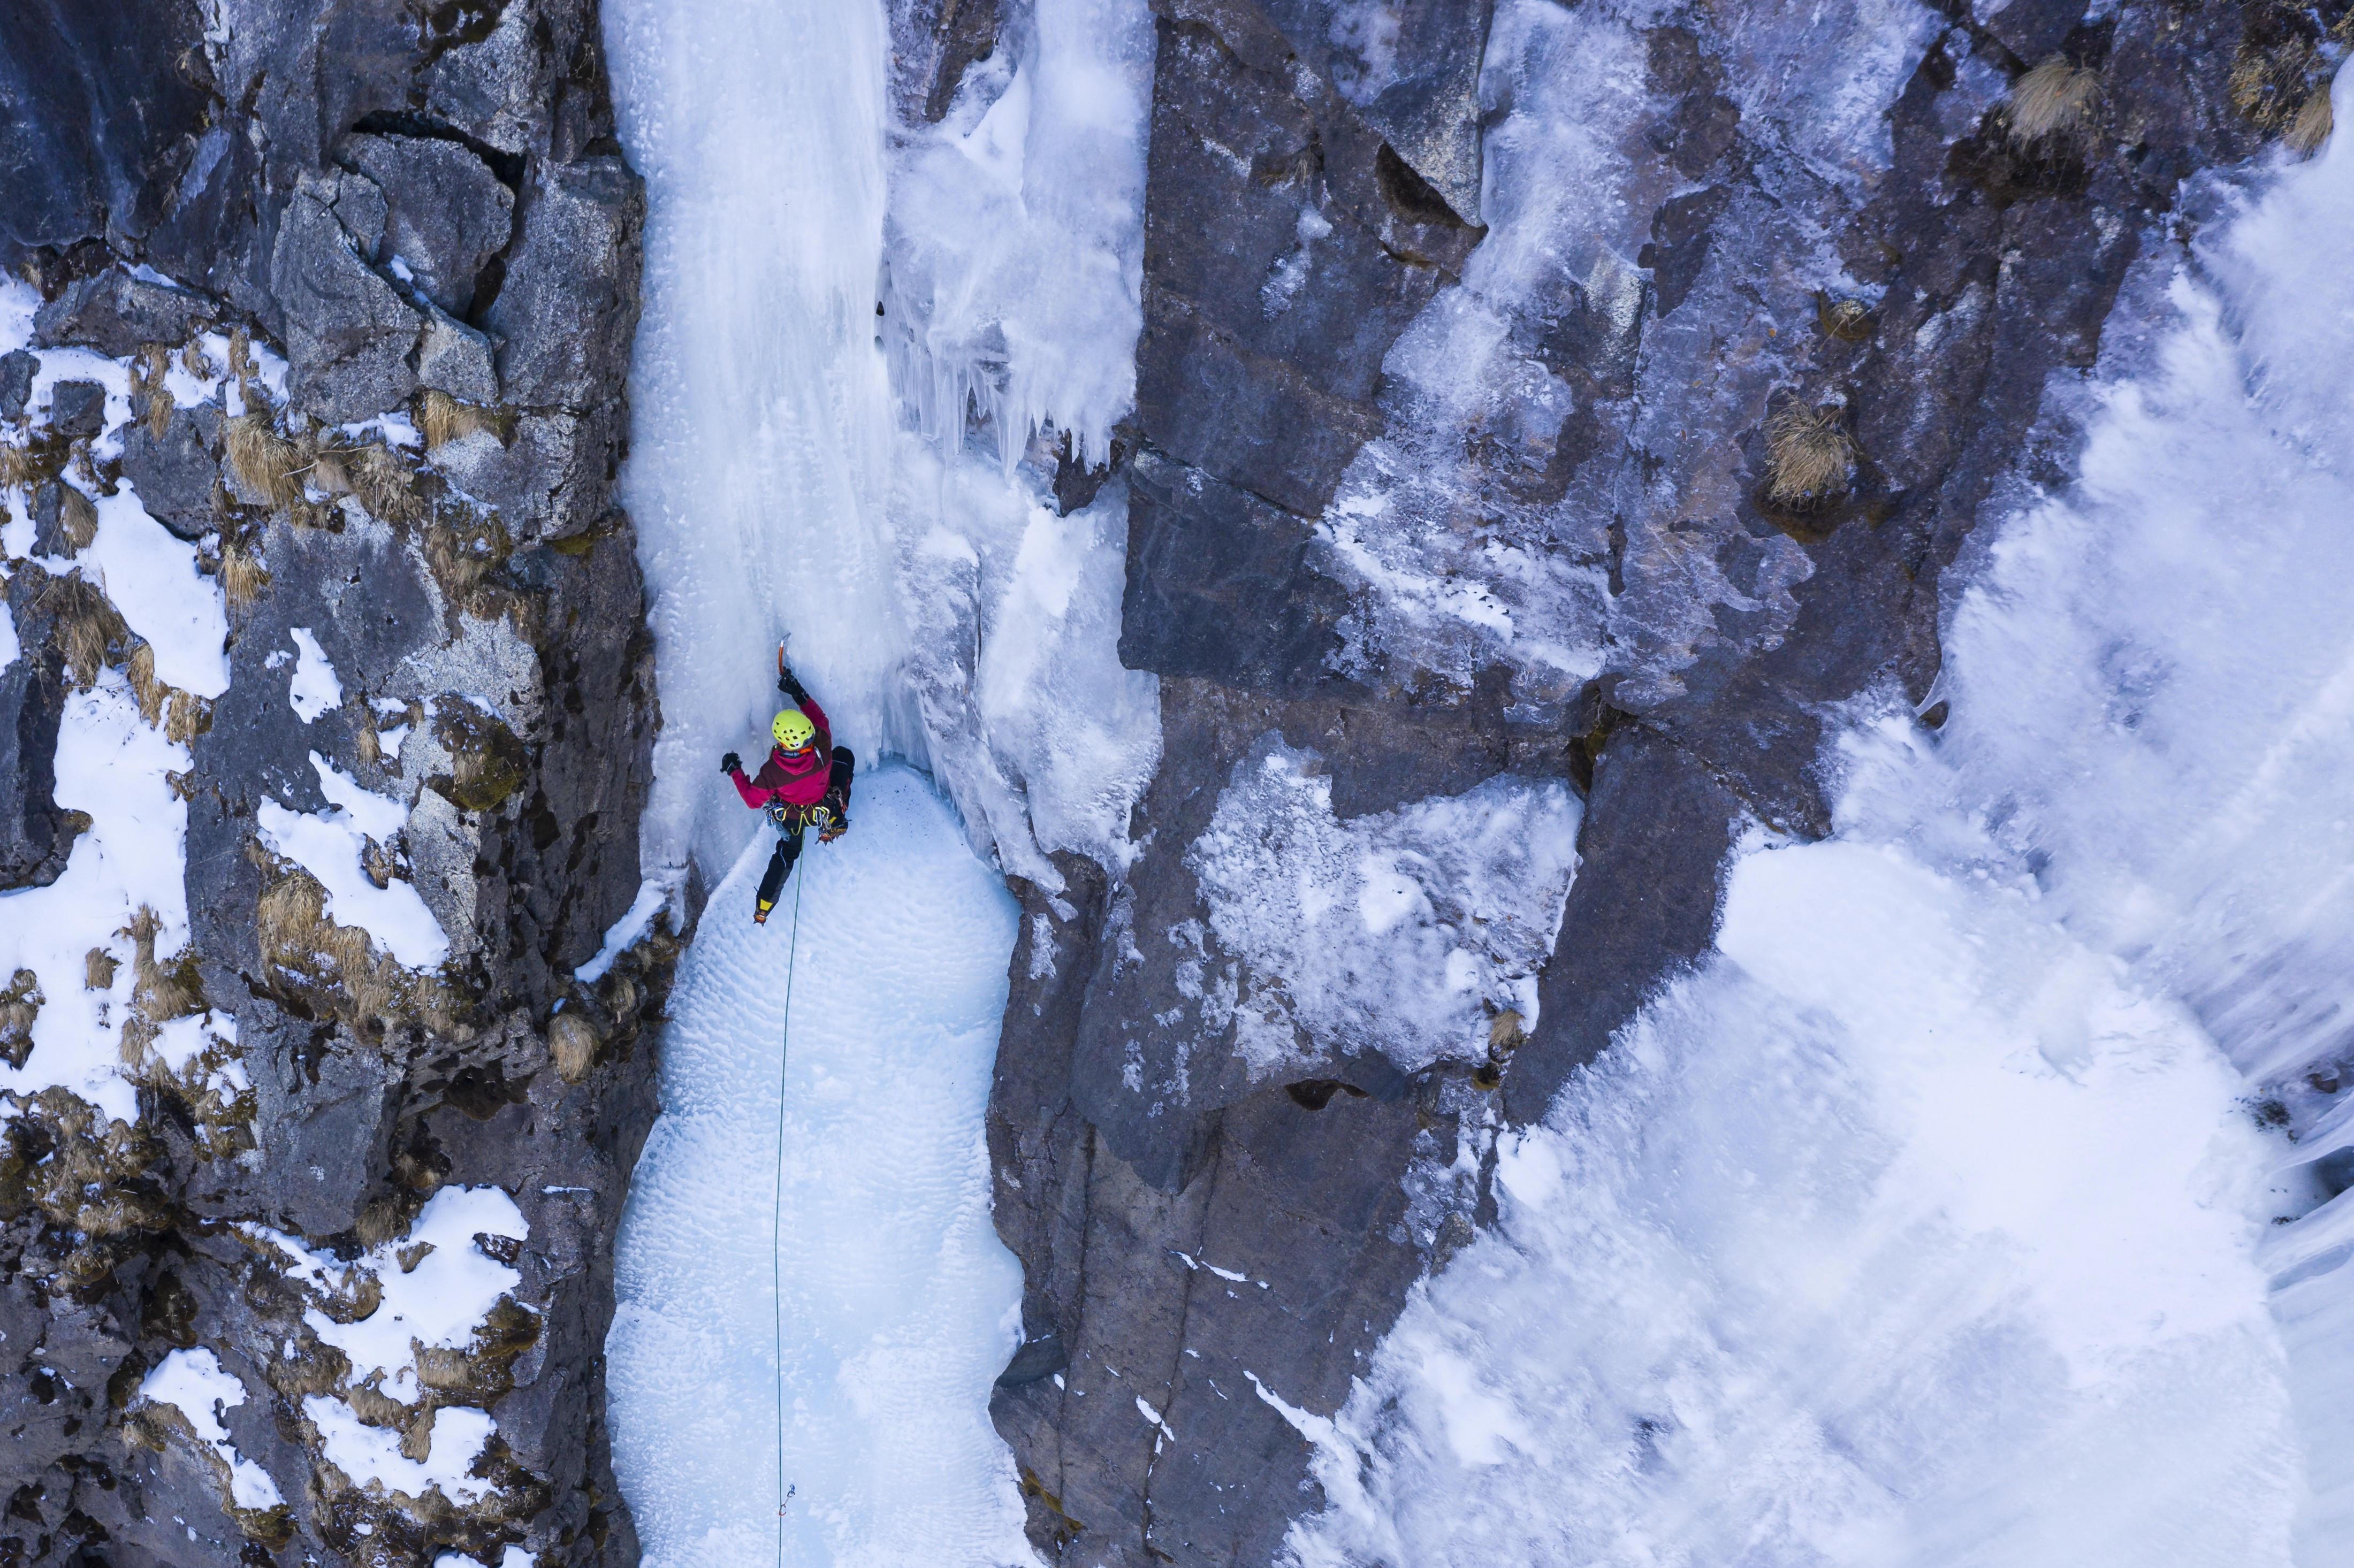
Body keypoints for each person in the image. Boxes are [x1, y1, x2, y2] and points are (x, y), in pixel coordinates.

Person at [721, 661, 854, 924]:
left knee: (787, 853)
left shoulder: (772, 772)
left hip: (791, 816)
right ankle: (834, 822)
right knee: (844, 758)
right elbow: (821, 720)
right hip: (822, 806)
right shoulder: (823, 748)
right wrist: (797, 692)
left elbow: (751, 800)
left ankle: (763, 907)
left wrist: (735, 770)